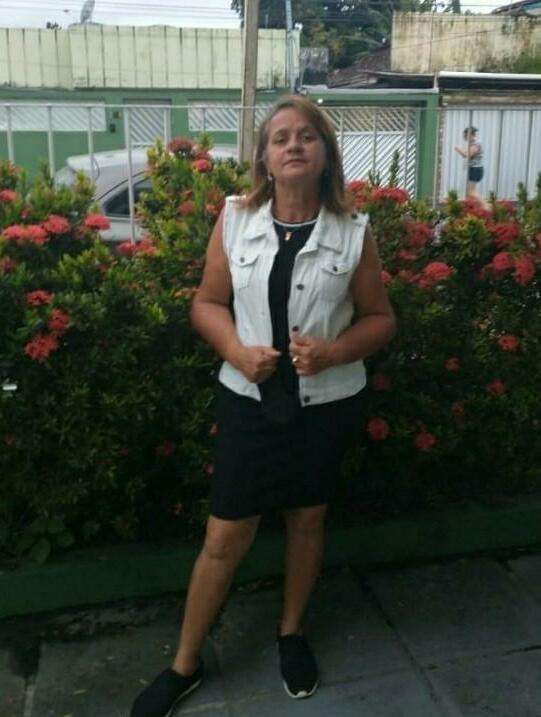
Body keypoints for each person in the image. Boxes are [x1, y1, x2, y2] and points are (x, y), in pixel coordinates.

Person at [130, 94, 396, 717]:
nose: (294, 144)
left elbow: (381, 319)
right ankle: (185, 663)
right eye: (281, 138)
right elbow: (206, 303)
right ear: (266, 159)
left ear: (325, 154)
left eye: (307, 135)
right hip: (249, 402)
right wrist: (235, 350)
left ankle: (291, 633)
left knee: (308, 519)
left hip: (325, 404)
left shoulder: (352, 232)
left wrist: (333, 352)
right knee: (225, 536)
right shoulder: (236, 219)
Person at [454, 126, 487, 207]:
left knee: (471, 192)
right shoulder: (473, 144)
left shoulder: (476, 144)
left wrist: (458, 149)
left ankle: (486, 206)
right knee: (469, 193)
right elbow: (466, 155)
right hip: (474, 169)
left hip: (476, 169)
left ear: (470, 135)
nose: (465, 138)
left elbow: (467, 154)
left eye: (465, 136)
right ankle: (474, 208)